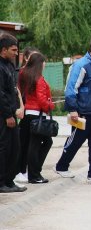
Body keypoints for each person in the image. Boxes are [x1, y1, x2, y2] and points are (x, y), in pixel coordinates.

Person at [55, 37, 91, 184]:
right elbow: (71, 88)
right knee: (75, 141)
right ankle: (61, 166)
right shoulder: (81, 65)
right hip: (83, 113)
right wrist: (73, 109)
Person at [17, 53, 55, 184]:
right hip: (37, 115)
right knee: (38, 144)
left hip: (29, 113)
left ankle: (33, 172)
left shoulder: (27, 76)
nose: (45, 65)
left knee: (34, 144)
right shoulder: (39, 79)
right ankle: (34, 174)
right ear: (40, 64)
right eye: (44, 62)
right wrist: (50, 105)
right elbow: (42, 100)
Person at [0, 34, 27, 193]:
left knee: (15, 147)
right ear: (3, 50)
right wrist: (8, 115)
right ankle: (1, 182)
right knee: (4, 148)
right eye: (13, 50)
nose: (16, 53)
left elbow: (13, 91)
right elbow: (1, 94)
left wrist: (17, 108)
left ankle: (9, 181)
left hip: (12, 114)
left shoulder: (9, 66)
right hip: (4, 116)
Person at [14, 46, 39, 184]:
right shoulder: (21, 72)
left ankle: (27, 169)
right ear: (25, 58)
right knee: (22, 142)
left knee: (29, 142)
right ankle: (19, 170)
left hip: (30, 110)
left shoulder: (34, 73)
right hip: (22, 109)